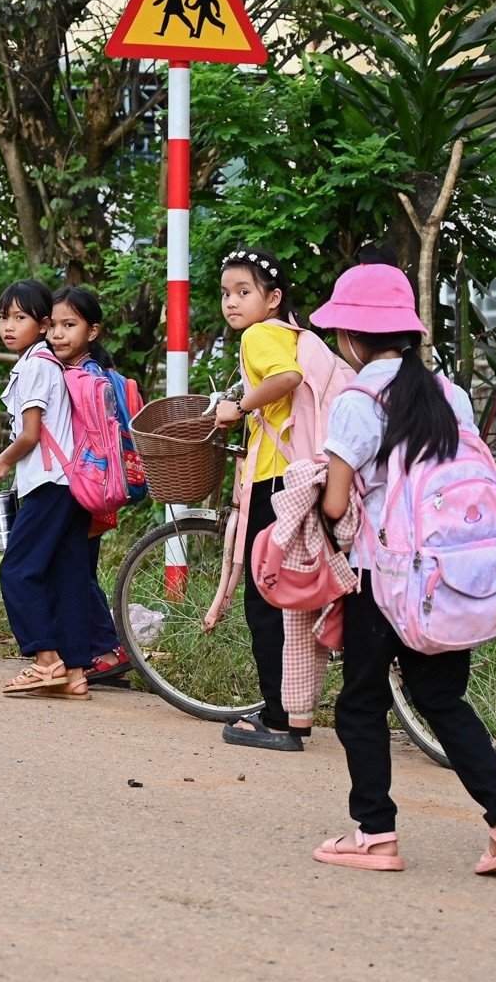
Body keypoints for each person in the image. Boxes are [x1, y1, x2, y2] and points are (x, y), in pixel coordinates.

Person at [311, 261, 496, 875]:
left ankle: (375, 836)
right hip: (444, 576)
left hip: (377, 579)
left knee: (360, 705)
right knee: (444, 701)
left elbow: (336, 503)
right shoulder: (450, 394)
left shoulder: (358, 400)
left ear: (352, 338)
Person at [0, 280, 97, 700]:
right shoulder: (46, 363)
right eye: (3, 317)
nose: (8, 325)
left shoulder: (36, 365)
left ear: (41, 325)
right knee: (68, 575)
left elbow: (30, 434)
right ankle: (75, 674)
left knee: (17, 571)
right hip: (69, 483)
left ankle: (45, 661)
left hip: (50, 484)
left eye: (20, 317)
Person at [211, 247, 311, 751]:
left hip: (274, 483)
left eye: (244, 292)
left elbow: (285, 379)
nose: (232, 303)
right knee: (295, 600)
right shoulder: (295, 334)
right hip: (303, 477)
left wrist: (238, 407)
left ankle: (277, 718)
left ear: (272, 298)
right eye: (227, 293)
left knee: (265, 597)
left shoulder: (259, 335)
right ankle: (294, 710)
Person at [48, 285, 134, 687]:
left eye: (70, 325)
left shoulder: (83, 377)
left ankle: (106, 647)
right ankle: (100, 647)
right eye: (54, 325)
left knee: (75, 570)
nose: (59, 334)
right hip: (98, 487)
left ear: (93, 331)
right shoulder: (99, 373)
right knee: (79, 568)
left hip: (84, 487)